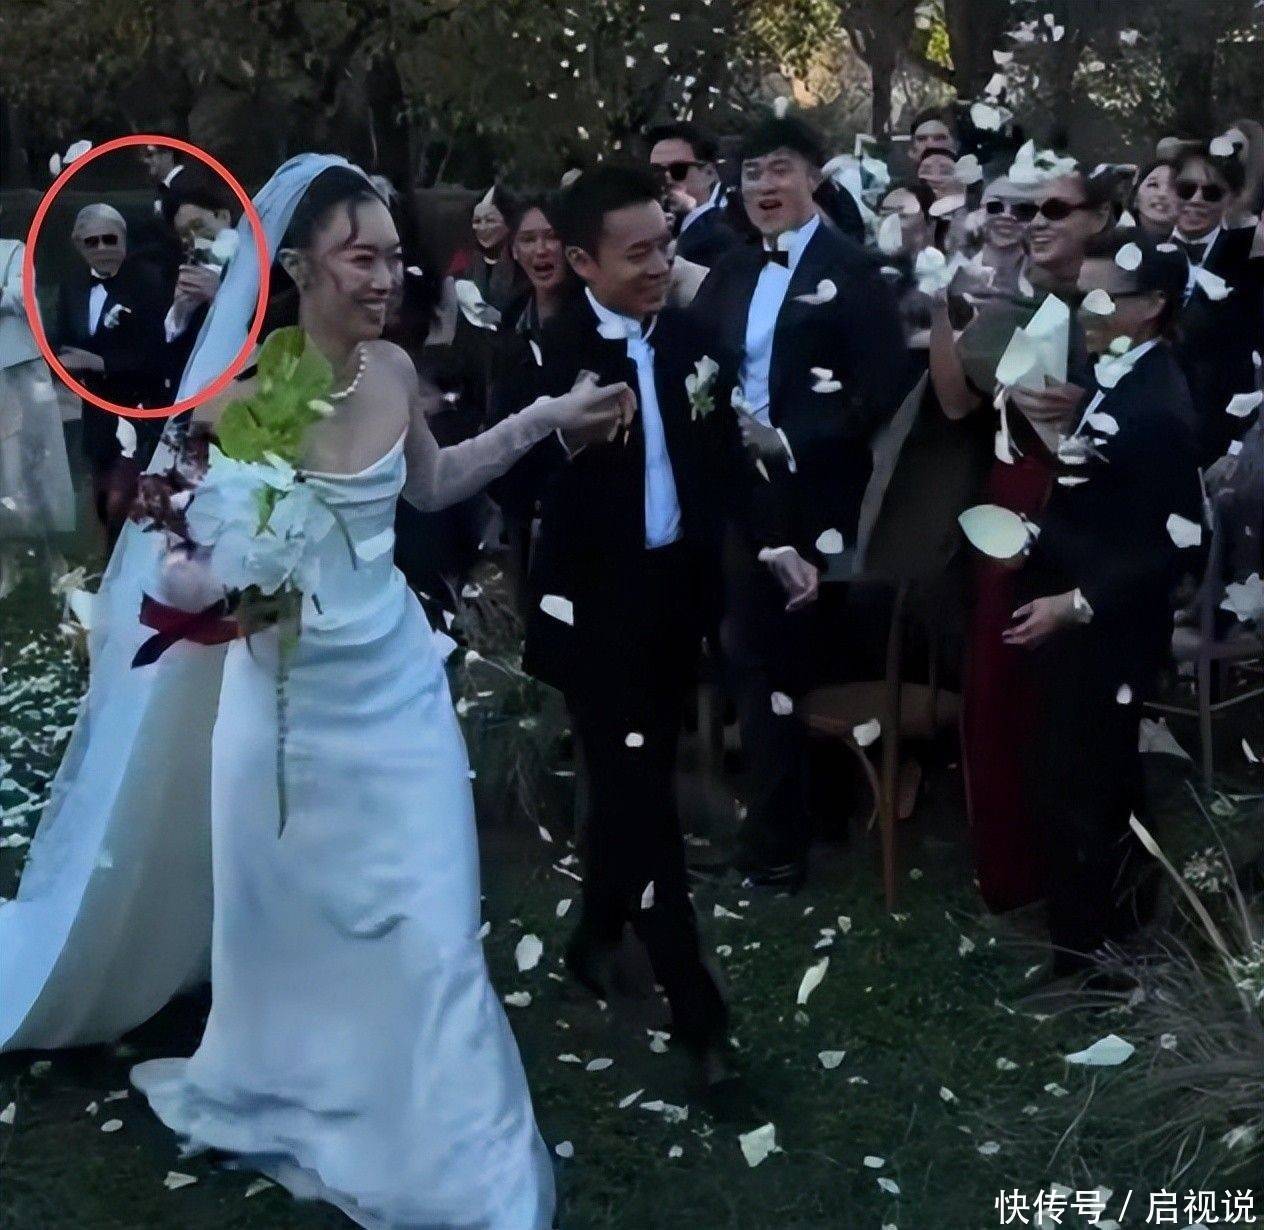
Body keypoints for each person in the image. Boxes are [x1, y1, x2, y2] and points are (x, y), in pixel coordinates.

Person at [0, 154, 634, 1229]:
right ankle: (297, 1082)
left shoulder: (393, 369)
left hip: (395, 688)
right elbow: (177, 557)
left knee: (432, 919)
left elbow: (433, 483)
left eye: (392, 257)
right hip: (285, 710)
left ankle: (454, 1147)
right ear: (296, 267)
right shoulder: (240, 400)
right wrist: (222, 580)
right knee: (288, 926)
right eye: (361, 259)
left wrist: (542, 420)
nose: (387, 279)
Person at [517, 165, 732, 1084]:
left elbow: (717, 463)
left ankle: (595, 937)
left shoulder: (692, 338)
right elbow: (502, 480)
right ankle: (697, 1011)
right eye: (637, 253)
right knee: (644, 798)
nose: (659, 266)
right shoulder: (548, 354)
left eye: (664, 246)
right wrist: (564, 443)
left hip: (675, 596)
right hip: (593, 611)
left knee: (629, 783)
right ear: (582, 262)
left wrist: (771, 547)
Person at [690, 114, 907, 890]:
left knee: (773, 656)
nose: (764, 185)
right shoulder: (733, 270)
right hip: (738, 489)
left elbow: (883, 387)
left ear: (814, 177)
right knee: (751, 653)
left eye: (779, 169)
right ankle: (804, 821)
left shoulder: (855, 271)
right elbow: (700, 363)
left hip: (816, 492)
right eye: (752, 173)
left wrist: (793, 440)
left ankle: (778, 847)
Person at [1011, 232, 1201, 972]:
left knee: (1082, 781)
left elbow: (1170, 544)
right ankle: (1117, 921)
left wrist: (1075, 602)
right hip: (1083, 604)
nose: (1085, 312)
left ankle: (1088, 954)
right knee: (1094, 775)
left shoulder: (1158, 407)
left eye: (1101, 299)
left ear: (1151, 305)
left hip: (1108, 622)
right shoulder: (1114, 378)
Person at [930, 161, 1112, 914]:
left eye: (1055, 210)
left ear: (1098, 220)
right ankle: (1011, 871)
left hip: (1085, 524)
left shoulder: (1121, 309)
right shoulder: (1013, 307)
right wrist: (942, 308)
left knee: (1063, 705)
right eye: (1027, 210)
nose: (1036, 222)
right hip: (1008, 511)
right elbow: (955, 403)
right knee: (999, 689)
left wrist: (1091, 404)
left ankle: (1074, 880)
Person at [50, 203, 167, 542]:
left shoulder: (149, 282)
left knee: (133, 504)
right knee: (104, 503)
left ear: (124, 239)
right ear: (79, 245)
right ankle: (110, 564)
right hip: (95, 412)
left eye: (110, 239)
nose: (102, 248)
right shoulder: (72, 287)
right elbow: (63, 341)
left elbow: (158, 352)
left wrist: (100, 362)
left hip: (141, 410)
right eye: (93, 241)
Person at [1168, 144, 1264, 463]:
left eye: (1211, 193)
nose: (1196, 199)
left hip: (1215, 435)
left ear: (1230, 200)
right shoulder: (1141, 250)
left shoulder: (1249, 264)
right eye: (1186, 189)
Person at [0, 232, 75, 598]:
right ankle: (7, 567)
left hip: (16, 371)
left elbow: (23, 297)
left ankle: (51, 561)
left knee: (31, 468)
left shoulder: (12, 251)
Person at [159, 164, 241, 401]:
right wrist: (181, 312)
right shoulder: (177, 272)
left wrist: (220, 294)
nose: (194, 239)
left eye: (198, 226)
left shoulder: (261, 261)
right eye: (184, 234)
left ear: (223, 216)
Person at [647, 121, 741, 267]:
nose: (667, 178)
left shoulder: (727, 228)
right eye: (656, 171)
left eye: (678, 170)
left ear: (709, 173)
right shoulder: (653, 222)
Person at [449, 184, 525, 314]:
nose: (482, 228)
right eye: (477, 221)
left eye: (490, 221)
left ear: (509, 222)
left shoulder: (523, 262)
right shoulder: (464, 260)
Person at [977, 176, 1032, 295]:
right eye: (995, 207)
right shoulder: (953, 271)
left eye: (1023, 210)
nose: (1006, 216)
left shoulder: (1047, 282)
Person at [1131, 159, 1177, 241]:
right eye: (1153, 184)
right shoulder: (1114, 243)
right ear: (1135, 198)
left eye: (1173, 186)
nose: (1162, 194)